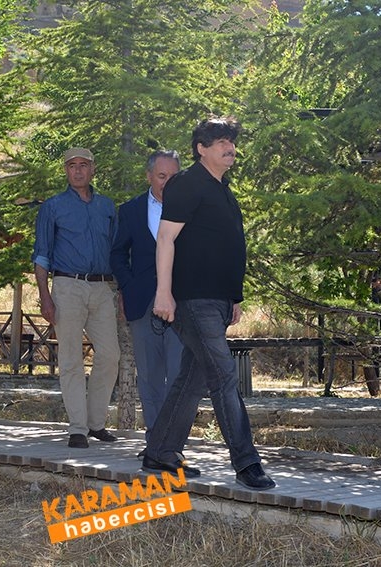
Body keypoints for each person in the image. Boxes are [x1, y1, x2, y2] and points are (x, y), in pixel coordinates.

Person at [143, 117, 276, 491]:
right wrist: (163, 293)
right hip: (192, 298)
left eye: (231, 141)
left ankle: (160, 452)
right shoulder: (187, 183)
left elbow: (224, 247)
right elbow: (165, 239)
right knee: (223, 375)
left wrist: (234, 297)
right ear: (201, 149)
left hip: (217, 301)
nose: (229, 148)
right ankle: (247, 463)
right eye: (220, 142)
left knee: (193, 378)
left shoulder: (223, 191)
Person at [32, 147, 120, 449]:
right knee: (71, 358)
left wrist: (120, 291)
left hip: (103, 287)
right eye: (72, 165)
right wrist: (45, 296)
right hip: (67, 285)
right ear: (66, 170)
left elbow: (117, 251)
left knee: (110, 355)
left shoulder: (106, 206)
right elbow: (42, 254)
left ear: (93, 169)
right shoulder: (53, 207)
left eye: (84, 165)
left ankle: (96, 423)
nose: (78, 170)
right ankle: (78, 429)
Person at [110, 150, 184, 443]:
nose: (167, 182)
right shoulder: (131, 210)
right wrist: (128, 287)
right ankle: (155, 439)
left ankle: (174, 441)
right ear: (149, 176)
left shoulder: (191, 208)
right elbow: (117, 254)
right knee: (149, 375)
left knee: (178, 373)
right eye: (162, 176)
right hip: (142, 302)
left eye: (173, 177)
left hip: (181, 302)